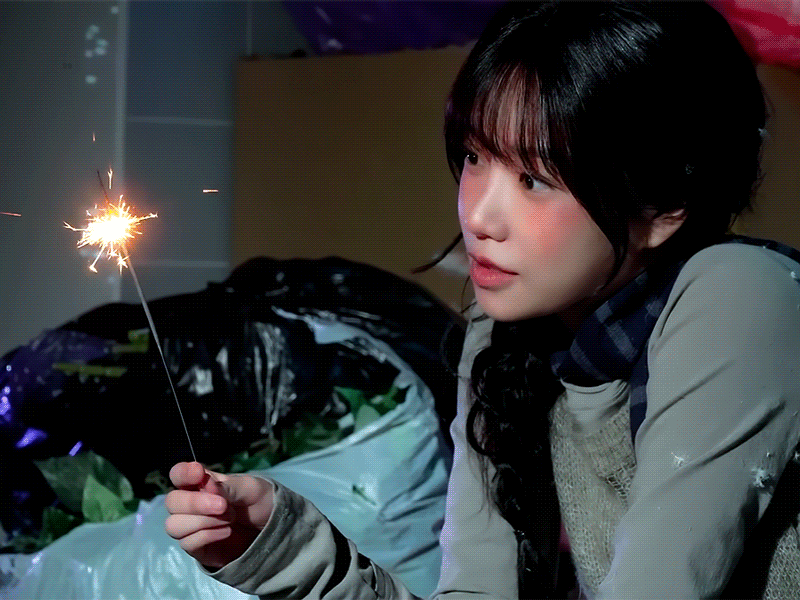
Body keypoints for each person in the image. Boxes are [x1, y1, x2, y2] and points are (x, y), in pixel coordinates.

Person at [165, 2, 800, 598]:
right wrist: (290, 551)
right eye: (474, 156)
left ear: (664, 207)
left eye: (533, 179)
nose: (477, 217)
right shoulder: (502, 336)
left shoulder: (738, 296)